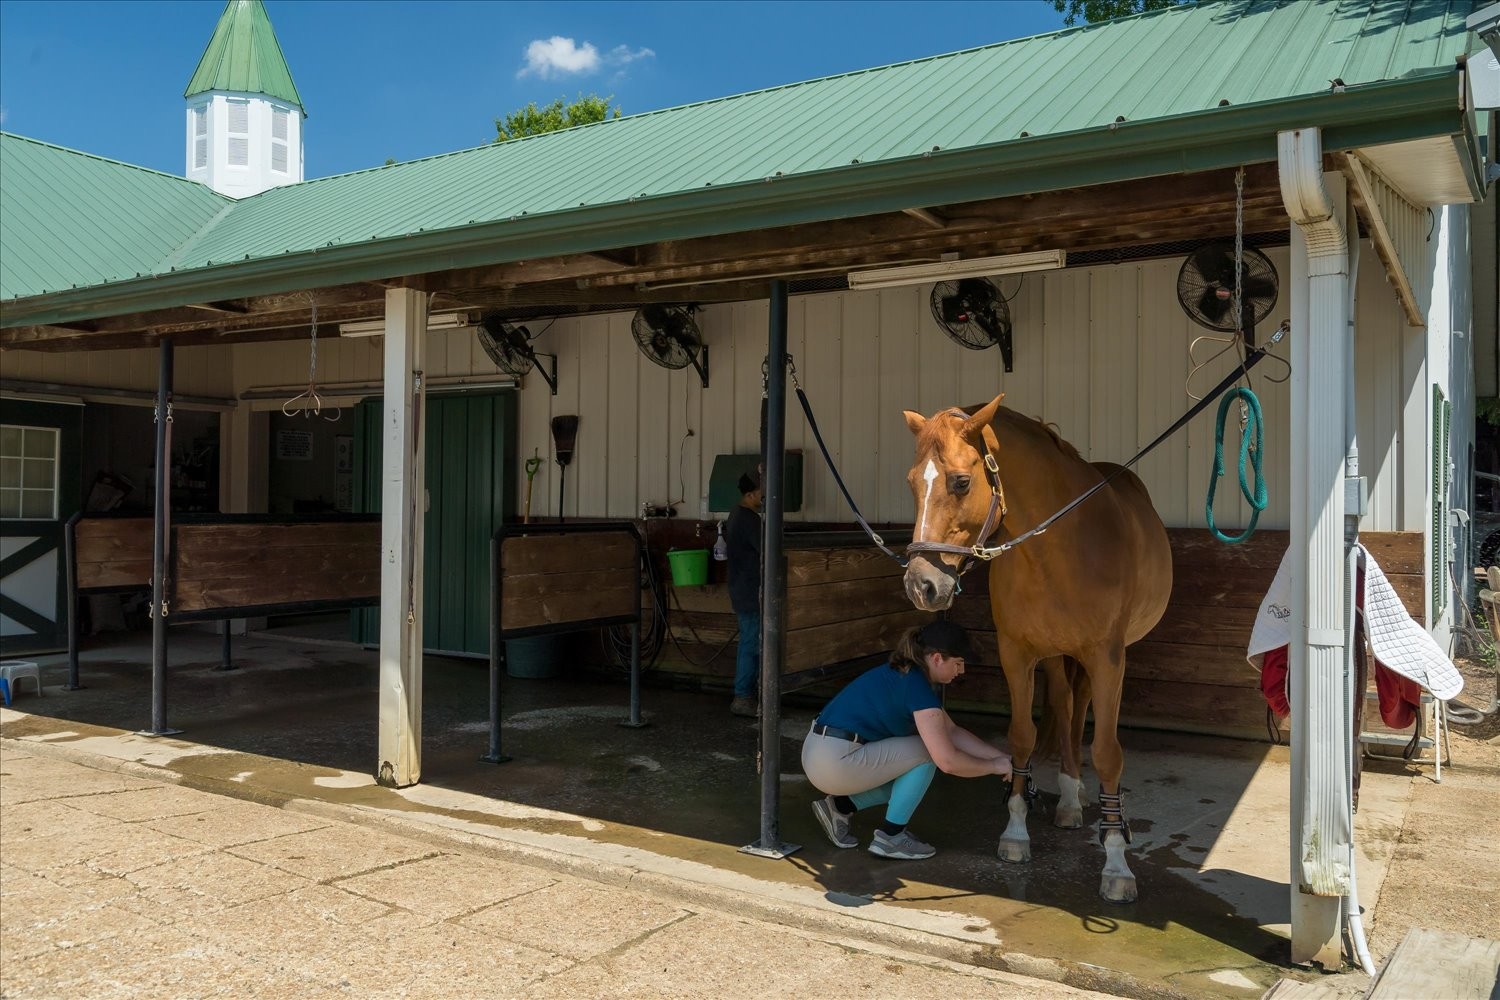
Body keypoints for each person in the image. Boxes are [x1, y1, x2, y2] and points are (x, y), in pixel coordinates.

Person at [801, 621, 1011, 859]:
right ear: (937, 658)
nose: (961, 671)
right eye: (958, 663)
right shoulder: (917, 687)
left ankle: (839, 807)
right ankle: (891, 837)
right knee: (929, 753)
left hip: (820, 752)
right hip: (836, 761)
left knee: (914, 768)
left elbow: (952, 731)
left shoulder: (907, 675)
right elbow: (948, 762)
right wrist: (993, 767)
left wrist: (1002, 758)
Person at [726, 469, 764, 717]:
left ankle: (747, 693)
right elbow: (766, 549)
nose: (764, 497)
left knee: (750, 641)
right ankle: (742, 696)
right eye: (761, 493)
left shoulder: (736, 515)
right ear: (750, 495)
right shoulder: (749, 520)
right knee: (751, 643)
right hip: (750, 589)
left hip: (742, 586)